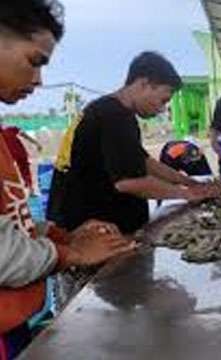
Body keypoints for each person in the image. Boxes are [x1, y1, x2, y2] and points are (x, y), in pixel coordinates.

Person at [0, 1, 135, 358]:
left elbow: (10, 220)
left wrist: (62, 235)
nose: (40, 80)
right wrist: (73, 253)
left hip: (11, 322)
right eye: (35, 61)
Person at [58, 52, 219, 234]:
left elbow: (144, 162)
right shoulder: (114, 116)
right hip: (97, 230)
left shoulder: (109, 110)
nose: (161, 109)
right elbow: (128, 182)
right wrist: (186, 194)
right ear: (143, 84)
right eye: (163, 100)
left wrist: (189, 182)